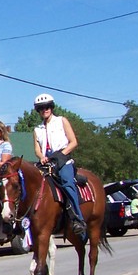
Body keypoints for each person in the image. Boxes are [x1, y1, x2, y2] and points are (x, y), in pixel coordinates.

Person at [32, 93, 86, 236]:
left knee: (67, 182)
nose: (45, 110)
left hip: (63, 160)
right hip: (46, 163)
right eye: (41, 108)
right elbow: (37, 149)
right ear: (38, 110)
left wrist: (61, 155)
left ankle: (78, 219)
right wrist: (42, 157)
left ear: (52, 107)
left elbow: (73, 142)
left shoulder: (62, 121)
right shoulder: (37, 129)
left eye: (48, 106)